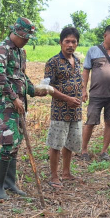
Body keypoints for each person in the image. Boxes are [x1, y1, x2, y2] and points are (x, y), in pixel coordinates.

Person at [0, 17, 48, 199]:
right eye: (25, 37)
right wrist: (14, 98)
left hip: (19, 105)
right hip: (6, 104)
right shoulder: (1, 50)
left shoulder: (21, 53)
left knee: (16, 143)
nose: (27, 40)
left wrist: (34, 90)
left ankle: (10, 183)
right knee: (8, 143)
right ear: (16, 33)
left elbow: (21, 76)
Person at [81, 24, 110, 162]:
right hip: (96, 94)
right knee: (90, 122)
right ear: (105, 36)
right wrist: (83, 90)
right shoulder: (93, 51)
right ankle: (84, 150)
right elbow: (85, 71)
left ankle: (104, 151)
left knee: (109, 122)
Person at [44, 26, 83, 189]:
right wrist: (67, 99)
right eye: (67, 41)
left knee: (71, 143)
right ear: (60, 42)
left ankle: (66, 172)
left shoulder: (78, 60)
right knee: (56, 144)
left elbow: (79, 81)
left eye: (73, 42)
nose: (70, 45)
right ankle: (54, 176)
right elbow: (48, 88)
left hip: (76, 111)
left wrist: (81, 94)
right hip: (60, 111)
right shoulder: (52, 62)